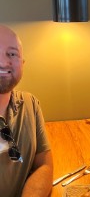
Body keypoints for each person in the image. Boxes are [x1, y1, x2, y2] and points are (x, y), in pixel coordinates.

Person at [0, 24, 53, 196]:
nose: (2, 62)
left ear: (22, 63)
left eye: (12, 54)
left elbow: (44, 165)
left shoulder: (29, 104)